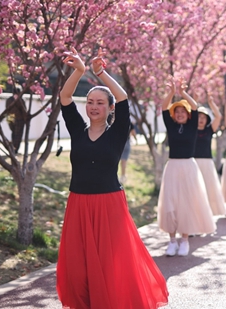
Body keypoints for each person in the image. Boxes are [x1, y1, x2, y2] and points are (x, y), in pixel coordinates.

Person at [56, 47, 168, 309]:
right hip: (79, 204)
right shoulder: (77, 129)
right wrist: (80, 72)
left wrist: (101, 74)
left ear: (109, 108)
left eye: (100, 103)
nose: (94, 107)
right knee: (79, 261)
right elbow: (65, 96)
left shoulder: (118, 132)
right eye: (90, 102)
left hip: (109, 204)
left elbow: (123, 97)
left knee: (112, 260)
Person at [158, 78, 216, 255]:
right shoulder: (171, 125)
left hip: (189, 167)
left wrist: (182, 94)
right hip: (172, 167)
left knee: (186, 203)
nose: (180, 114)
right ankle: (172, 241)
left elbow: (195, 106)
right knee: (170, 203)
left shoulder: (192, 125)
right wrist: (171, 92)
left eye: (183, 111)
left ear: (188, 114)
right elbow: (164, 108)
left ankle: (184, 240)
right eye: (178, 112)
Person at [193, 95, 226, 216]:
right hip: (193, 163)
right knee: (195, 191)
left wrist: (211, 104)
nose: (201, 119)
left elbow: (218, 116)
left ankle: (206, 215)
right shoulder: (190, 130)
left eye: (204, 117)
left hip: (207, 163)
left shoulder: (209, 130)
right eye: (199, 117)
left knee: (208, 189)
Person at [5, 87, 27, 153]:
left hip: (10, 118)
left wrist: (9, 120)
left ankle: (13, 149)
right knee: (18, 135)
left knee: (13, 133)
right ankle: (15, 149)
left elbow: (7, 110)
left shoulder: (9, 100)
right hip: (19, 119)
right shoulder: (21, 100)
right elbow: (24, 111)